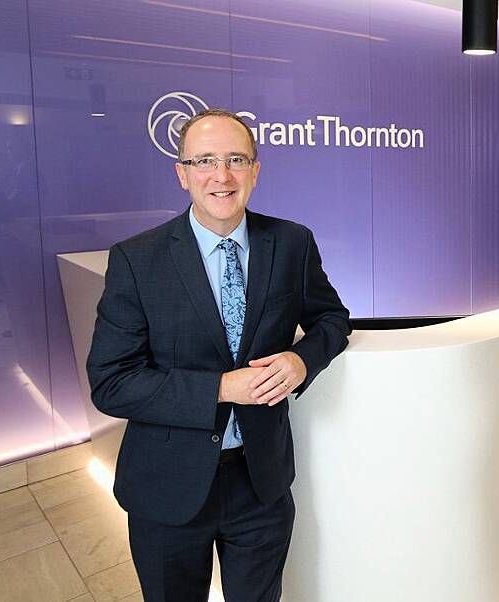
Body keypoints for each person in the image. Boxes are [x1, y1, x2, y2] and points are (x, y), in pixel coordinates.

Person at [87, 109, 350, 602]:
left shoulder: (292, 242)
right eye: (205, 160)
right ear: (182, 173)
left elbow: (332, 319)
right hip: (169, 485)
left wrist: (301, 361)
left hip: (260, 480)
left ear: (256, 169)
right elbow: (111, 382)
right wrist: (221, 388)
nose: (221, 176)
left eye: (235, 159)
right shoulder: (136, 259)